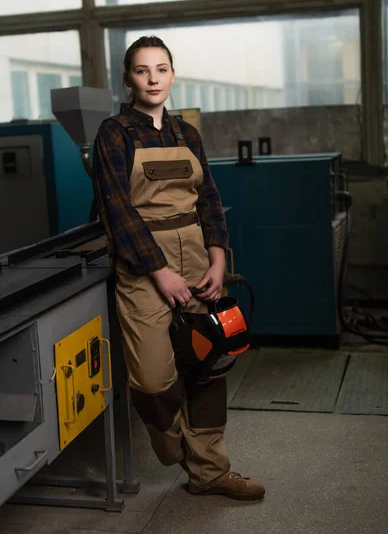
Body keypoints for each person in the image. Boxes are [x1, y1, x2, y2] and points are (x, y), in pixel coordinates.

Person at [92, 35, 265, 501]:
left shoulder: (187, 134)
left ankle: (210, 471)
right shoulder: (114, 133)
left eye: (161, 69)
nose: (153, 78)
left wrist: (219, 257)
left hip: (198, 258)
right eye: (143, 70)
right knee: (151, 379)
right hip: (145, 269)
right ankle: (176, 450)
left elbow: (207, 199)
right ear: (127, 78)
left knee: (208, 364)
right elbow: (117, 211)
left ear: (173, 74)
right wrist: (159, 272)